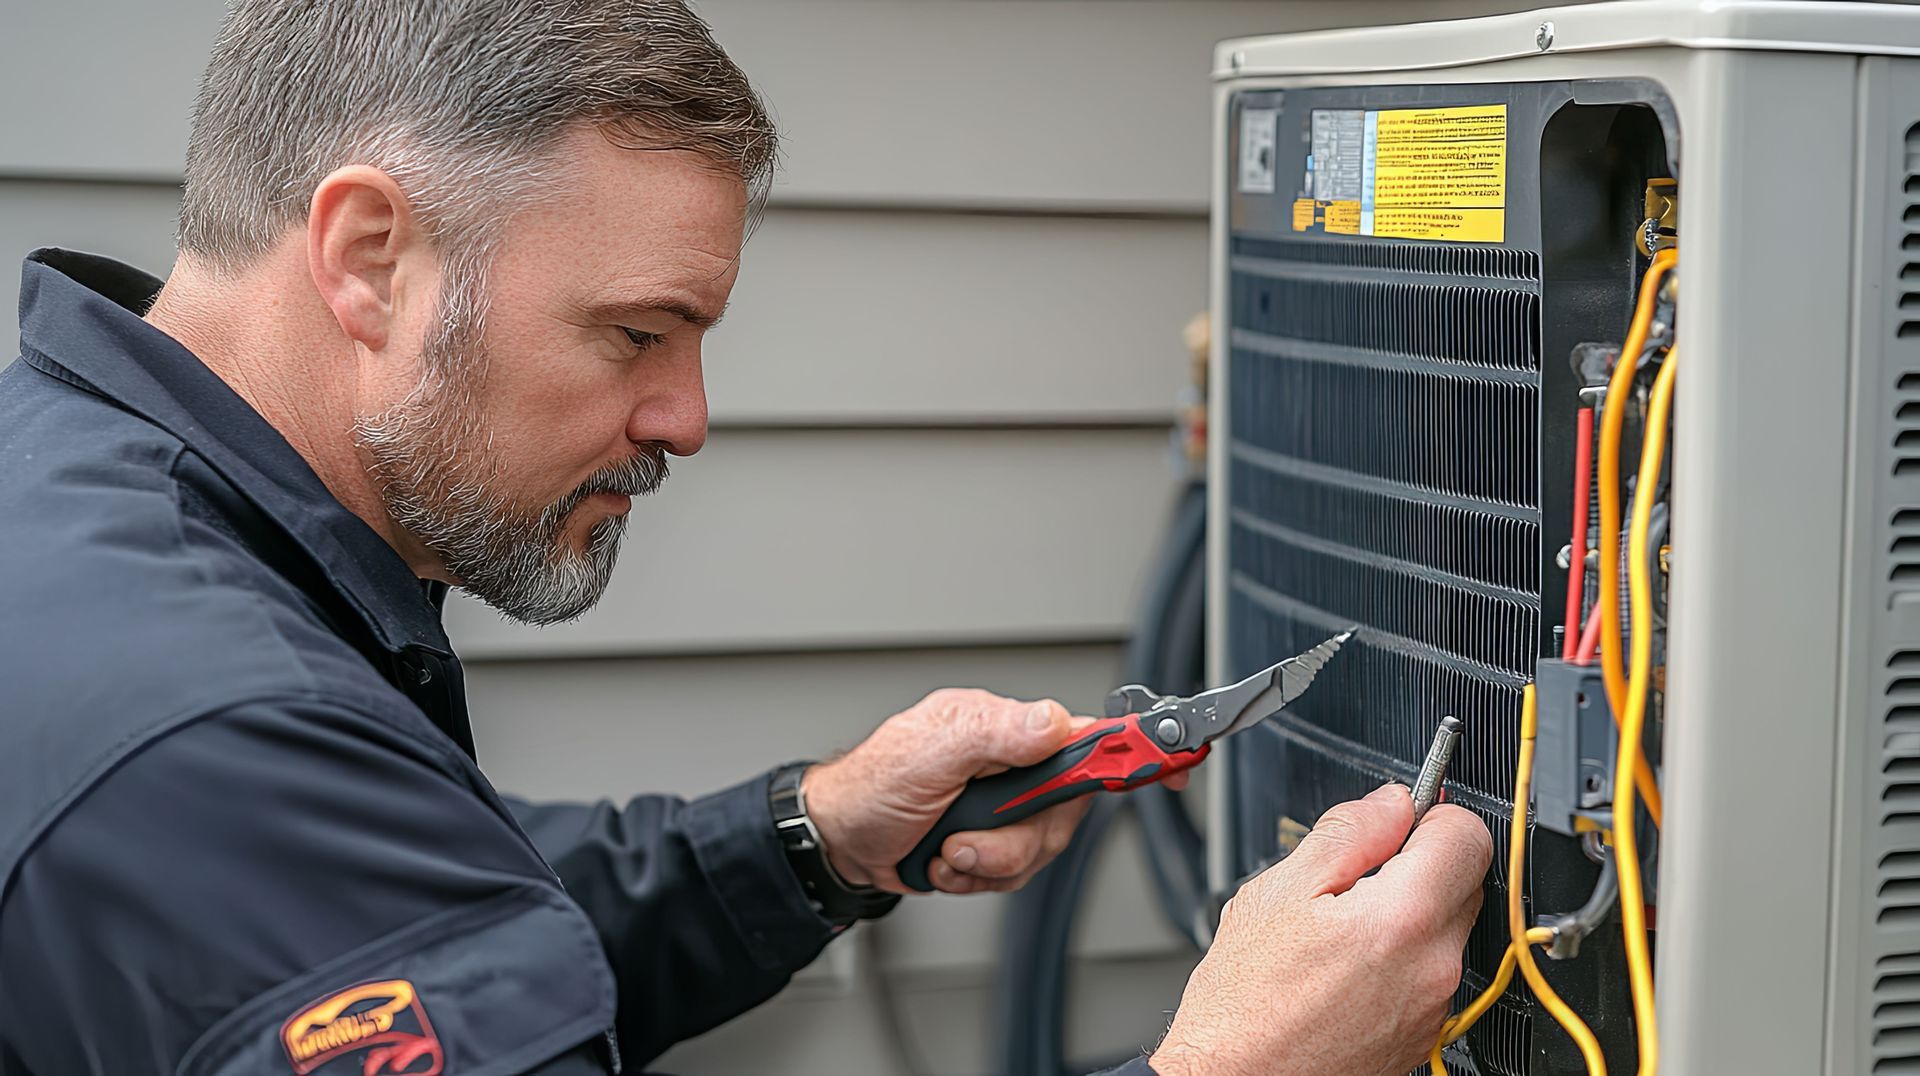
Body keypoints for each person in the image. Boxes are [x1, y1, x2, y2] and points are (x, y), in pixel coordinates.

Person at [0, 2, 1491, 1073]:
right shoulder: (209, 738)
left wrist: (817, 835)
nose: (685, 418)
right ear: (369, 259)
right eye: (637, 333)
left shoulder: (93, 496)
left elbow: (437, 931)